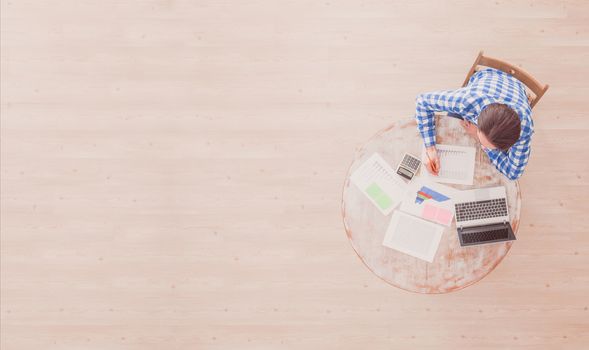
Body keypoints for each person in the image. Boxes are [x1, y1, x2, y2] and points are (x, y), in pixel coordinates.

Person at [414, 67, 533, 180]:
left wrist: (478, 136)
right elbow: (422, 101)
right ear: (479, 120)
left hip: (517, 89)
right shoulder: (466, 100)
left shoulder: (525, 128)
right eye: (481, 138)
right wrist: (430, 149)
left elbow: (513, 173)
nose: (484, 146)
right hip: (487, 75)